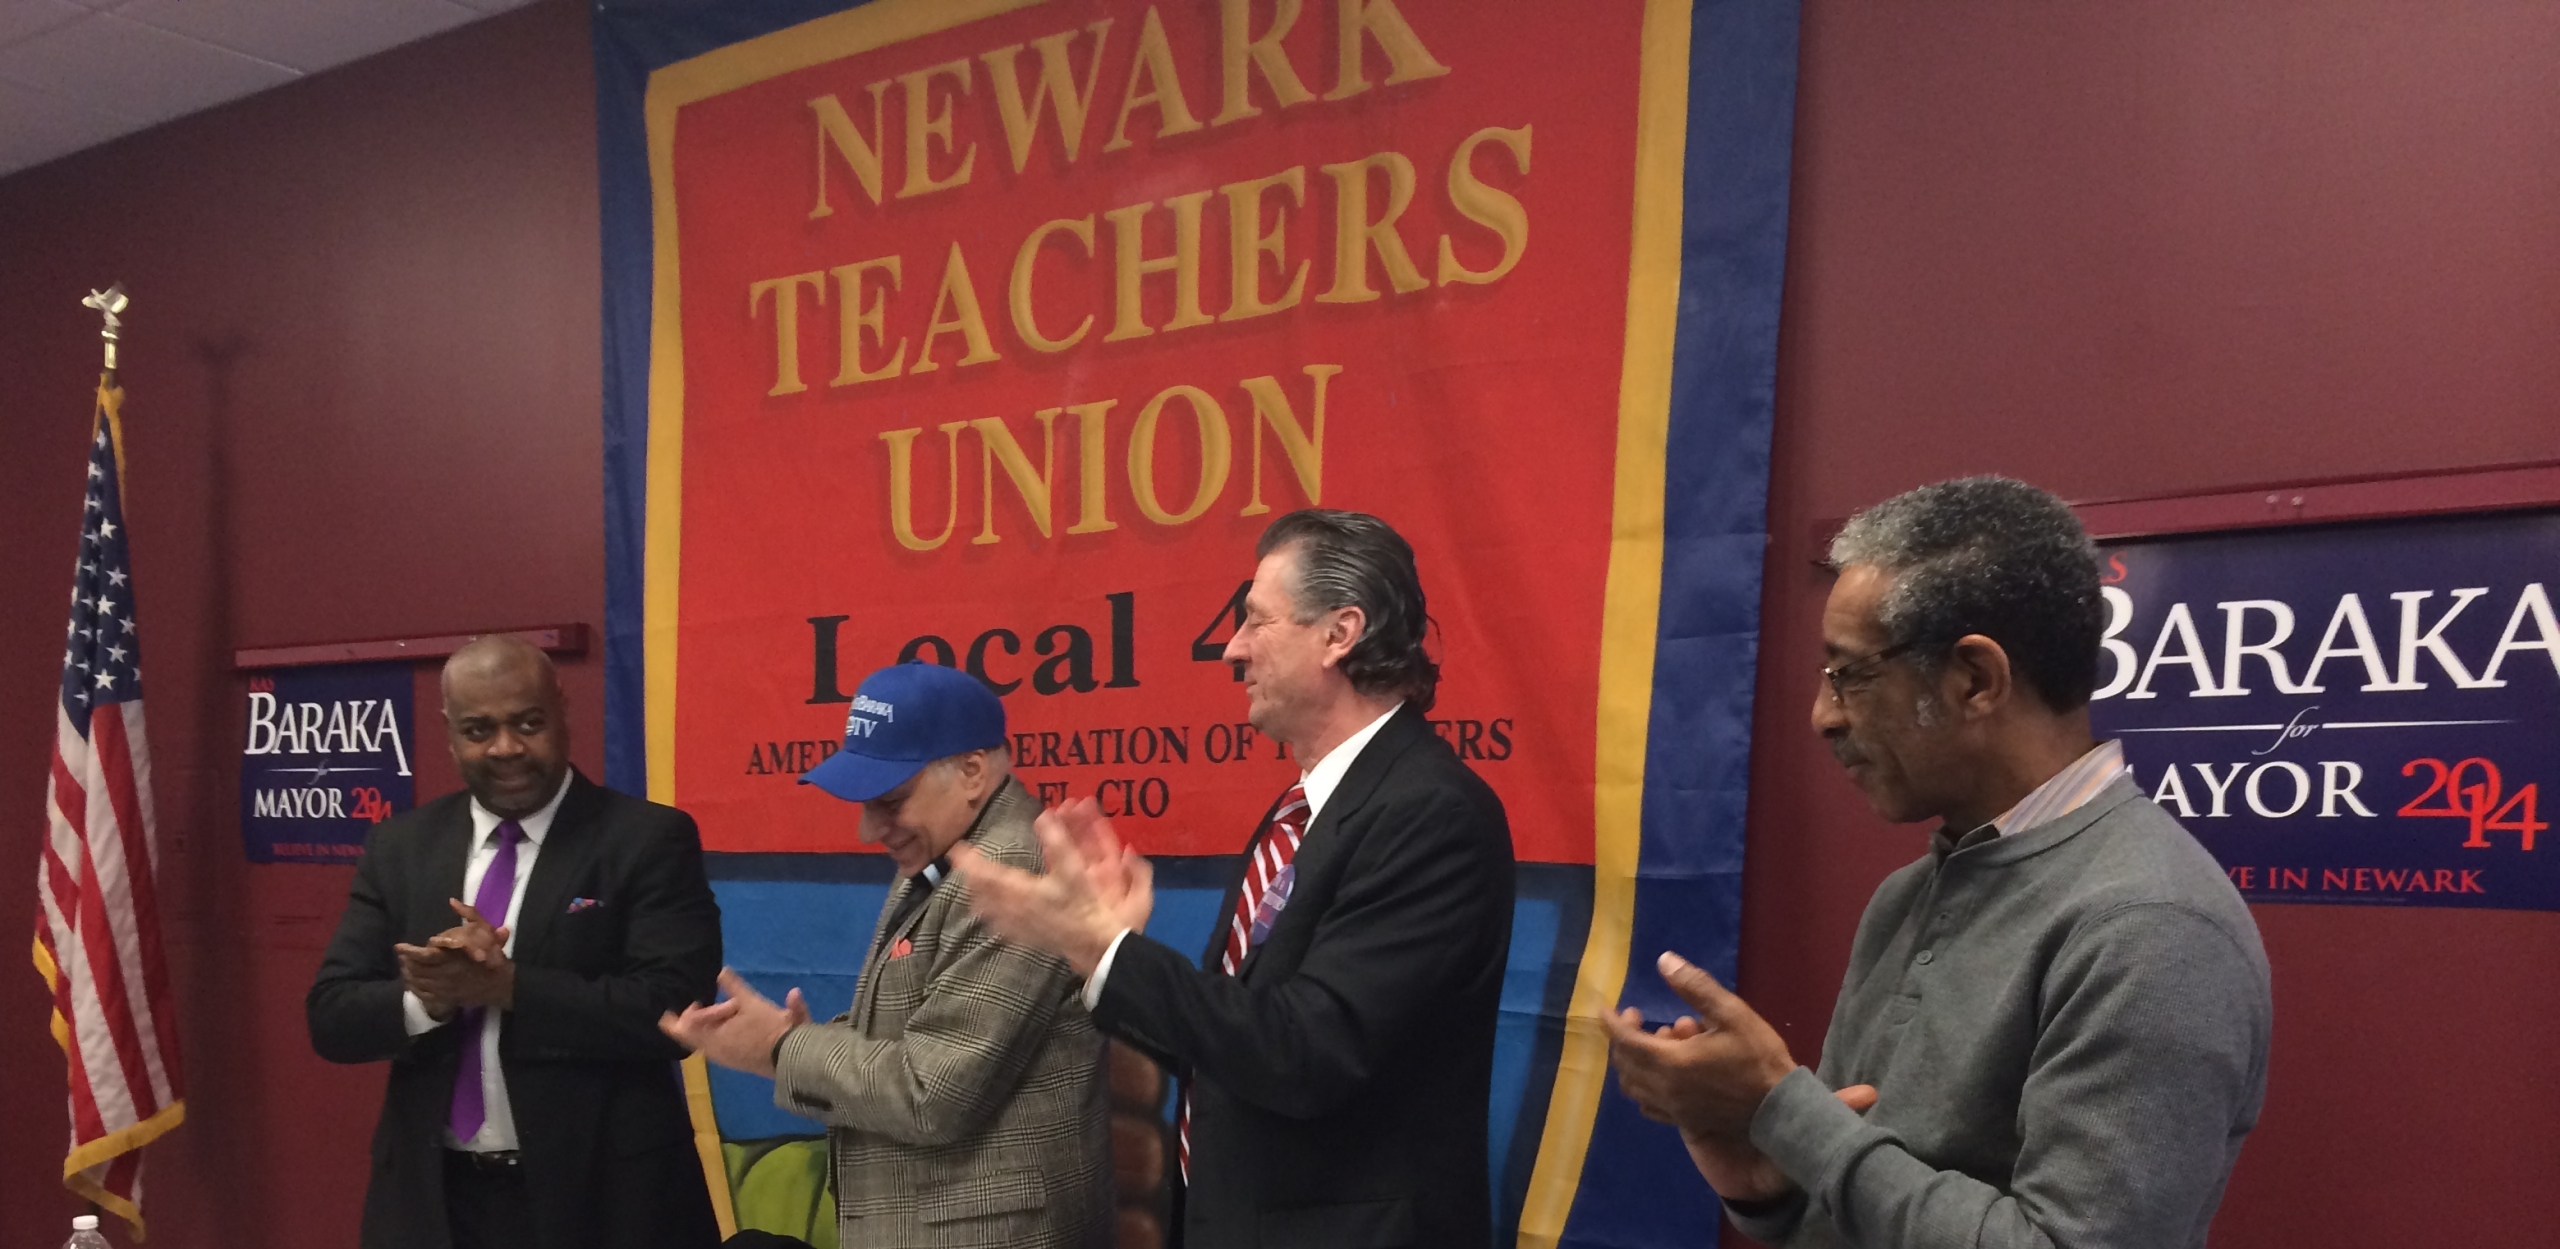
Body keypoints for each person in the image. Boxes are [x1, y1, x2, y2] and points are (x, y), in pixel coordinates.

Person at [1606, 477, 2273, 1248]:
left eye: (1851, 673)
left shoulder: (2152, 929)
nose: (1824, 715)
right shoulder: (1908, 895)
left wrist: (1784, 1110)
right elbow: (1859, 1194)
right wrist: (1768, 1185)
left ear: (1975, 680)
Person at [957, 508, 1516, 1249]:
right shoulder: (1302, 811)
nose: (1232, 648)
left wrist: (1108, 950)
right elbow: (1236, 1045)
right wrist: (1107, 951)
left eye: (1256, 619)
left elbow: (1307, 1053)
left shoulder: (1431, 813)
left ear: (1339, 634)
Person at [658, 661, 1111, 1249]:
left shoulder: (1013, 872)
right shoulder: (948, 854)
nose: (868, 830)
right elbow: (920, 1036)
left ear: (972, 772)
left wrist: (781, 1048)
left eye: (890, 801)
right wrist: (789, 1045)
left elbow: (934, 1093)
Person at [306, 636, 723, 1249]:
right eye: (479, 730)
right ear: (450, 734)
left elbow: (672, 1012)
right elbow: (331, 1017)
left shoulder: (645, 839)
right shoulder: (401, 847)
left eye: (528, 723)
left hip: (604, 1203)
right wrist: (430, 999)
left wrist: (508, 987)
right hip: (435, 1205)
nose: (506, 748)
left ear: (562, 711)